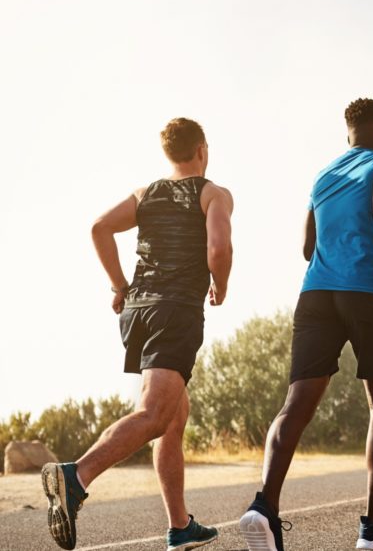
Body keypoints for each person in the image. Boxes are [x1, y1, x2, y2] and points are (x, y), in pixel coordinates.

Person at [42, 118, 233, 551]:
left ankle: (180, 525)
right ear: (202, 149)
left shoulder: (145, 194)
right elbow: (219, 249)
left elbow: (99, 228)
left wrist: (120, 286)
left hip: (138, 312)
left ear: (169, 154)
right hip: (175, 311)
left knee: (172, 416)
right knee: (153, 414)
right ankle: (76, 477)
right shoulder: (213, 194)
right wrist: (220, 284)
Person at [239, 98, 373, 551]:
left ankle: (264, 506)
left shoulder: (324, 176)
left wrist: (369, 234)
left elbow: (307, 246)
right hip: (367, 291)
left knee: (295, 403)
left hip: (316, 292)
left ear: (347, 135)